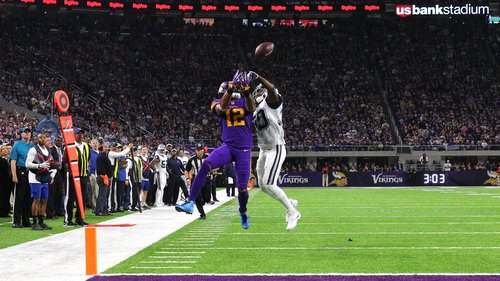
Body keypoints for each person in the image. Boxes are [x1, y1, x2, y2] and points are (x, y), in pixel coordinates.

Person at [176, 70, 256, 229]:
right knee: (205, 165)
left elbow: (251, 107)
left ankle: (243, 211)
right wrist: (231, 90)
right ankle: (191, 202)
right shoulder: (218, 102)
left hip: (244, 150)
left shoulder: (245, 101)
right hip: (228, 146)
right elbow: (221, 108)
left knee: (241, 188)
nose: (222, 94)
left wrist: (246, 92)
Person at [248, 71, 300, 231]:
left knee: (270, 183)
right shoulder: (256, 111)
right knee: (263, 185)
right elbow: (251, 115)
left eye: (259, 91)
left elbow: (271, 90)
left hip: (276, 147)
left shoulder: (271, 103)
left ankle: (293, 212)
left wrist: (258, 78)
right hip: (264, 150)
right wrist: (245, 93)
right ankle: (288, 202)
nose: (257, 93)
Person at [25, 132, 56, 230]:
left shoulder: (48, 150)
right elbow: (27, 164)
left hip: (44, 177)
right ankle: (34, 222)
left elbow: (50, 164)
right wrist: (39, 165)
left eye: (44, 137)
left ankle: (41, 221)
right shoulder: (33, 149)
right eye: (40, 137)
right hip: (35, 177)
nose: (42, 139)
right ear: (37, 139)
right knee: (36, 199)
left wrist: (52, 174)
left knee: (44, 199)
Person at [10, 127, 34, 228]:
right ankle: (16, 221)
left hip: (30, 172)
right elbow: (13, 161)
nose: (27, 134)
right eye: (25, 132)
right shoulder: (17, 145)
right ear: (21, 134)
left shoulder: (33, 146)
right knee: (19, 197)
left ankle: (26, 220)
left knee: (28, 197)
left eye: (28, 132)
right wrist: (14, 175)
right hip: (20, 171)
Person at [185, 143, 211, 219]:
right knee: (197, 197)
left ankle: (203, 201)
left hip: (206, 179)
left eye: (201, 150)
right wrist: (187, 178)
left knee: (207, 198)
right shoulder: (192, 159)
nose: (199, 151)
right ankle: (202, 214)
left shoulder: (208, 157)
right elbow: (186, 170)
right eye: (197, 150)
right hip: (196, 179)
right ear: (195, 151)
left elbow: (217, 167)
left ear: (203, 150)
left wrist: (211, 170)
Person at [95, 142, 112, 216]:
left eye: (108, 147)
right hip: (102, 177)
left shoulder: (104, 156)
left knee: (104, 195)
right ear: (102, 148)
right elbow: (101, 168)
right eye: (105, 147)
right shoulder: (102, 156)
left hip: (105, 177)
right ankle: (99, 210)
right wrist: (105, 176)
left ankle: (104, 210)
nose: (107, 148)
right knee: (102, 194)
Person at [0, 144, 14, 217]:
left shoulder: (10, 159)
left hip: (10, 181)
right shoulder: (1, 160)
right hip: (3, 182)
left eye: (6, 149)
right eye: (3, 149)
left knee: (8, 196)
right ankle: (3, 212)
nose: (5, 150)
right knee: (3, 196)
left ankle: (7, 210)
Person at [89, 138, 100, 211]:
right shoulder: (90, 153)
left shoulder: (101, 153)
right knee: (94, 191)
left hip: (100, 174)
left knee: (99, 191)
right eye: (93, 143)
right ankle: (95, 206)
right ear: (91, 144)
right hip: (93, 174)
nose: (95, 144)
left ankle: (99, 206)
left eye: (96, 143)